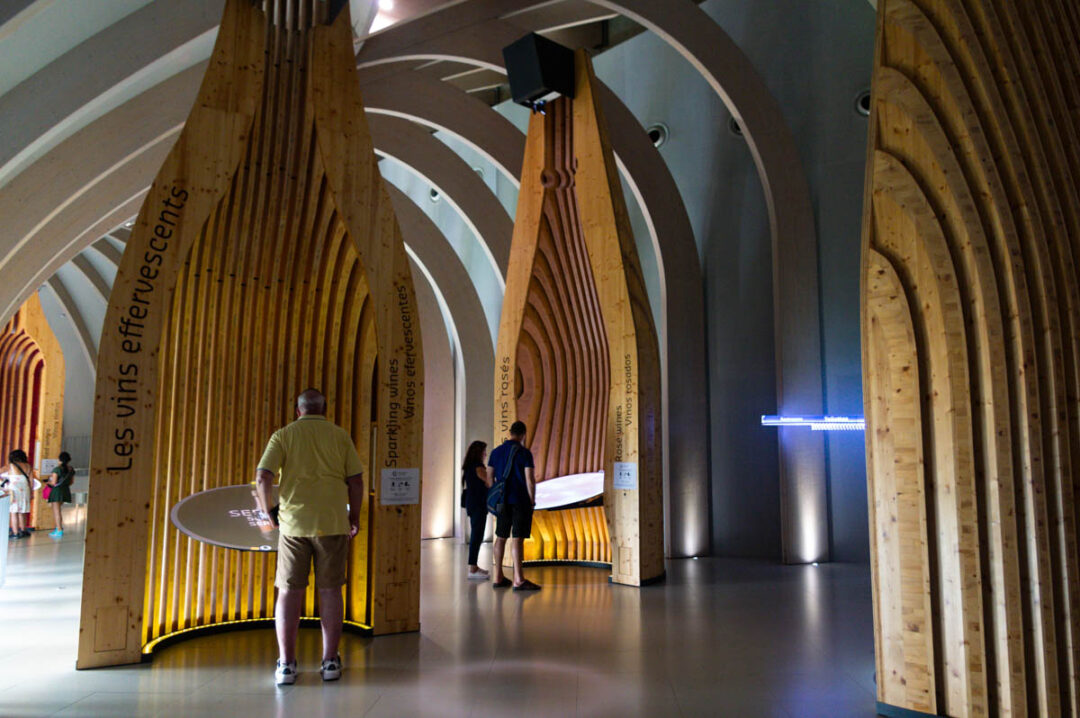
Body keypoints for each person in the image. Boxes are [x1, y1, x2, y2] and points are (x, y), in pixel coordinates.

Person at [254, 389, 365, 686]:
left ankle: (287, 665)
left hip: (293, 527)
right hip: (332, 524)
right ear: (324, 408)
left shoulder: (283, 436)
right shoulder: (340, 436)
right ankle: (330, 662)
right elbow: (355, 480)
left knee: (289, 593)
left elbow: (263, 476)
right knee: (330, 592)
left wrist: (268, 512)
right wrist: (354, 516)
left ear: (298, 409)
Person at [486, 421, 540, 591]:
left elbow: (489, 477)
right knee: (517, 538)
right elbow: (530, 479)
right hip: (520, 500)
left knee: (500, 537)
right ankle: (518, 578)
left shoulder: (496, 452)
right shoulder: (524, 453)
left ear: (510, 433)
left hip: (502, 500)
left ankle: (498, 576)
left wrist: (496, 493)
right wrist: (532, 500)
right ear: (523, 434)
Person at [461, 440, 490, 580]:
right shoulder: (478, 467)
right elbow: (489, 482)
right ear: (479, 452)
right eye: (484, 451)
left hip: (472, 503)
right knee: (477, 536)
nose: (485, 454)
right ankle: (472, 568)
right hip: (478, 504)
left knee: (476, 534)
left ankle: (474, 566)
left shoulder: (468, 467)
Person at [4, 450, 34, 539]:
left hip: (14, 490)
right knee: (22, 511)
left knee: (13, 512)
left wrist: (3, 482)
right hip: (25, 490)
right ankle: (23, 530)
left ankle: (15, 533)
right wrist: (31, 493)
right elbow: (31, 482)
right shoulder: (28, 466)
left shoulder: (11, 466)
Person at [45, 452, 74, 537]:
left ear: (60, 459)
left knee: (56, 511)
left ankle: (59, 529)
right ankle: (58, 528)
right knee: (59, 510)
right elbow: (72, 482)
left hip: (56, 491)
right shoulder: (71, 469)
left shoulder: (57, 469)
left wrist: (48, 482)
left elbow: (53, 482)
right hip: (65, 490)